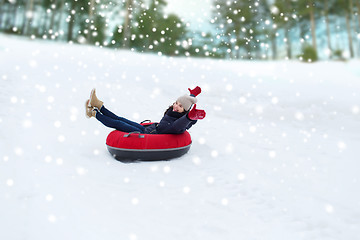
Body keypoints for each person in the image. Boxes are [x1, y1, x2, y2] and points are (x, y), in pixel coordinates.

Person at [85, 86, 206, 134]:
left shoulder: (180, 123)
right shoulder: (174, 112)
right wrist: (192, 95)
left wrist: (190, 117)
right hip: (150, 128)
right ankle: (100, 106)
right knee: (121, 119)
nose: (176, 106)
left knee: (118, 124)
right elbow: (187, 102)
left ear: (185, 111)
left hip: (148, 134)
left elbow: (179, 125)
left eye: (180, 106)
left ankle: (94, 113)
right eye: (176, 103)